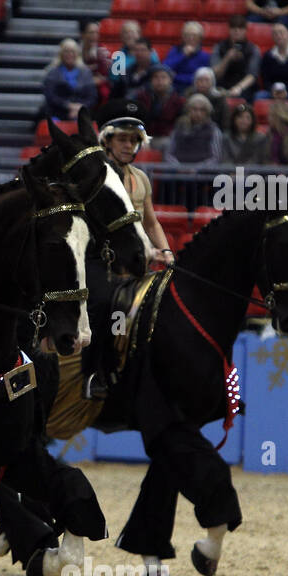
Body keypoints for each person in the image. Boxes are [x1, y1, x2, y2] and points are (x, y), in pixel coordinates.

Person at [81, 98, 172, 398]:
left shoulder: (141, 178)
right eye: (122, 138)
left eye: (135, 140)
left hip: (137, 261)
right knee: (103, 302)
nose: (129, 146)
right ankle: (94, 373)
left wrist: (167, 252)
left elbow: (152, 223)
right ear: (106, 139)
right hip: (100, 259)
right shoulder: (97, 176)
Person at [255, 22, 288, 111]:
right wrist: (273, 90)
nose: (278, 36)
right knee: (259, 97)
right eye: (275, 33)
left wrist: (286, 91)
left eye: (281, 33)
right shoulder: (267, 56)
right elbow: (265, 80)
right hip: (273, 91)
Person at [44, 38, 99, 120]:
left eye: (72, 51)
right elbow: (50, 96)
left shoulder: (86, 73)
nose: (69, 54)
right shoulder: (52, 73)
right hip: (57, 112)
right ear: (61, 54)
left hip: (81, 112)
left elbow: (92, 97)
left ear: (77, 54)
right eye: (66, 51)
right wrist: (68, 106)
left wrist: (79, 107)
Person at [164, 95, 225, 167]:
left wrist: (197, 168)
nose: (198, 113)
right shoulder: (179, 128)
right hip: (178, 172)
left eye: (202, 110)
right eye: (194, 109)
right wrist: (180, 167)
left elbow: (216, 158)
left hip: (204, 174)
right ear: (188, 111)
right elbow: (168, 155)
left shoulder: (214, 130)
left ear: (207, 112)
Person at [210, 14, 261, 99]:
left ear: (245, 30)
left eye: (240, 28)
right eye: (234, 28)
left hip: (244, 88)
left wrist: (238, 88)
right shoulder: (219, 47)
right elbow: (215, 74)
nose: (237, 31)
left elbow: (252, 75)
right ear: (229, 30)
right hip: (222, 86)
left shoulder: (253, 49)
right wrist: (227, 58)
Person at [132, 65, 186, 141]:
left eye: (163, 77)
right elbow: (136, 120)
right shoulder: (141, 97)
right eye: (156, 77)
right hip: (143, 136)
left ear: (170, 80)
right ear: (151, 80)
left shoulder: (178, 100)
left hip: (167, 138)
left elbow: (180, 124)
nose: (160, 81)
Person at [161, 21, 210, 92]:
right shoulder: (174, 51)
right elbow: (164, 68)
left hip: (194, 89)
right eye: (187, 35)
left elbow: (199, 78)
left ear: (200, 38)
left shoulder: (204, 56)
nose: (191, 38)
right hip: (173, 88)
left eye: (194, 35)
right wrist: (182, 55)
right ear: (183, 37)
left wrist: (176, 77)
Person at [80, 20, 112, 104]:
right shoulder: (75, 50)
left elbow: (106, 76)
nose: (94, 36)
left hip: (98, 89)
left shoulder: (103, 52)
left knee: (104, 92)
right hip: (79, 84)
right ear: (83, 34)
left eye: (96, 33)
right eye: (91, 33)